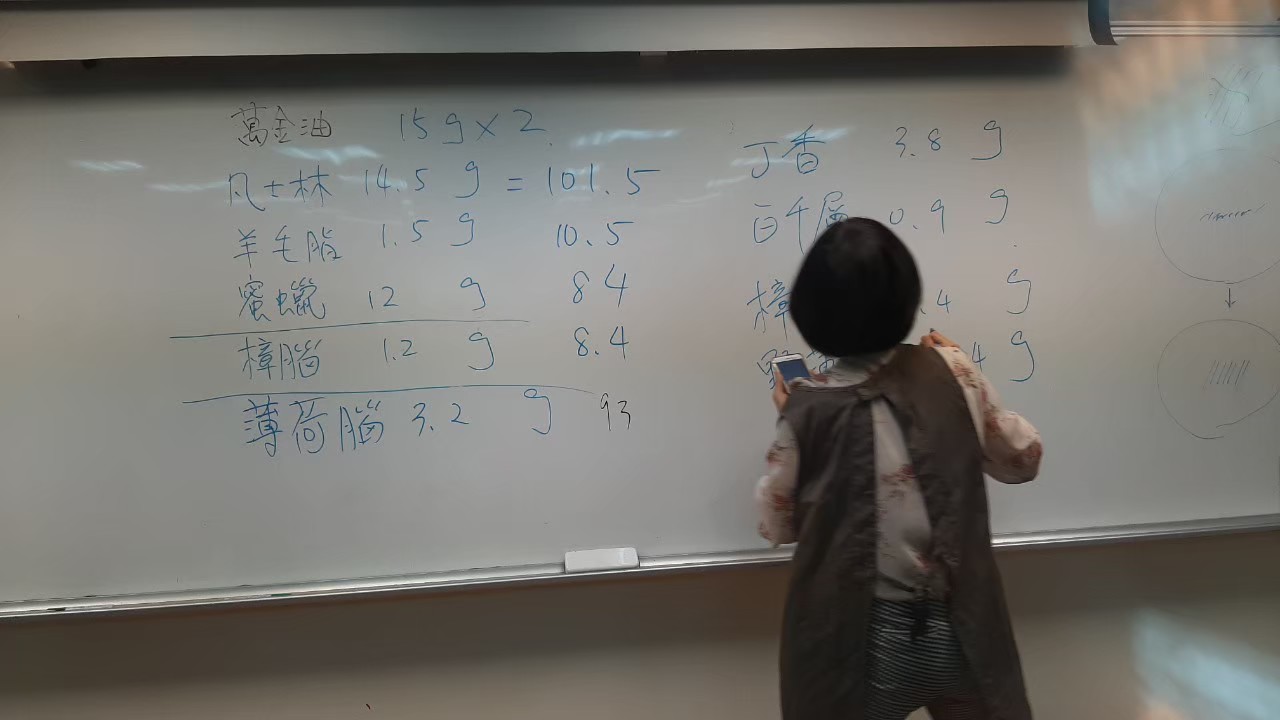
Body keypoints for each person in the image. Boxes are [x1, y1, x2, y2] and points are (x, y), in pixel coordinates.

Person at [756, 218, 1043, 720]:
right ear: (908, 298)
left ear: (811, 311)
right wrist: (963, 368)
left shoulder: (807, 409)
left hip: (861, 642)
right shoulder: (954, 370)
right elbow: (1023, 460)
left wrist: (795, 417)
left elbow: (777, 524)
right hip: (963, 624)